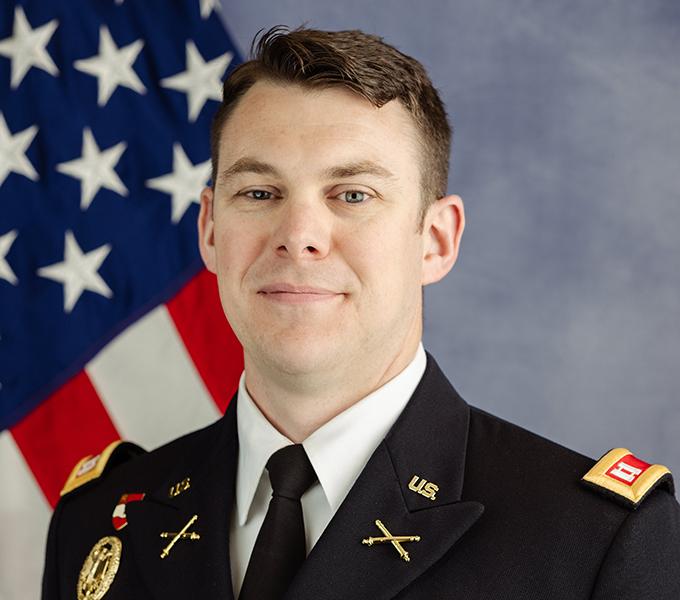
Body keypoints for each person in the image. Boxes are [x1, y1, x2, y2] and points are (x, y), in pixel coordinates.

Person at [42, 26, 680, 600]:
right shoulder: (98, 519)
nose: (299, 235)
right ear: (210, 229)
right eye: (259, 192)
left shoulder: (591, 542)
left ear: (436, 239)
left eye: (353, 194)